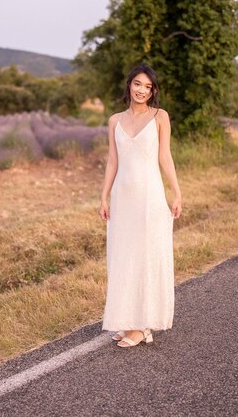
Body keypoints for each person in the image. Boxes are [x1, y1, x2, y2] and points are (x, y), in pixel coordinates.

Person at [99, 64, 182, 348]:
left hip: (150, 197)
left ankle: (143, 325)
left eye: (147, 86)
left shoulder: (160, 117)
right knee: (124, 257)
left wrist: (177, 193)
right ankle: (129, 321)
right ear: (129, 85)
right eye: (137, 84)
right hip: (123, 198)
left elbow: (165, 157)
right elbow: (112, 161)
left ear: (153, 90)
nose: (141, 90)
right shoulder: (114, 121)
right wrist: (104, 196)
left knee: (146, 257)